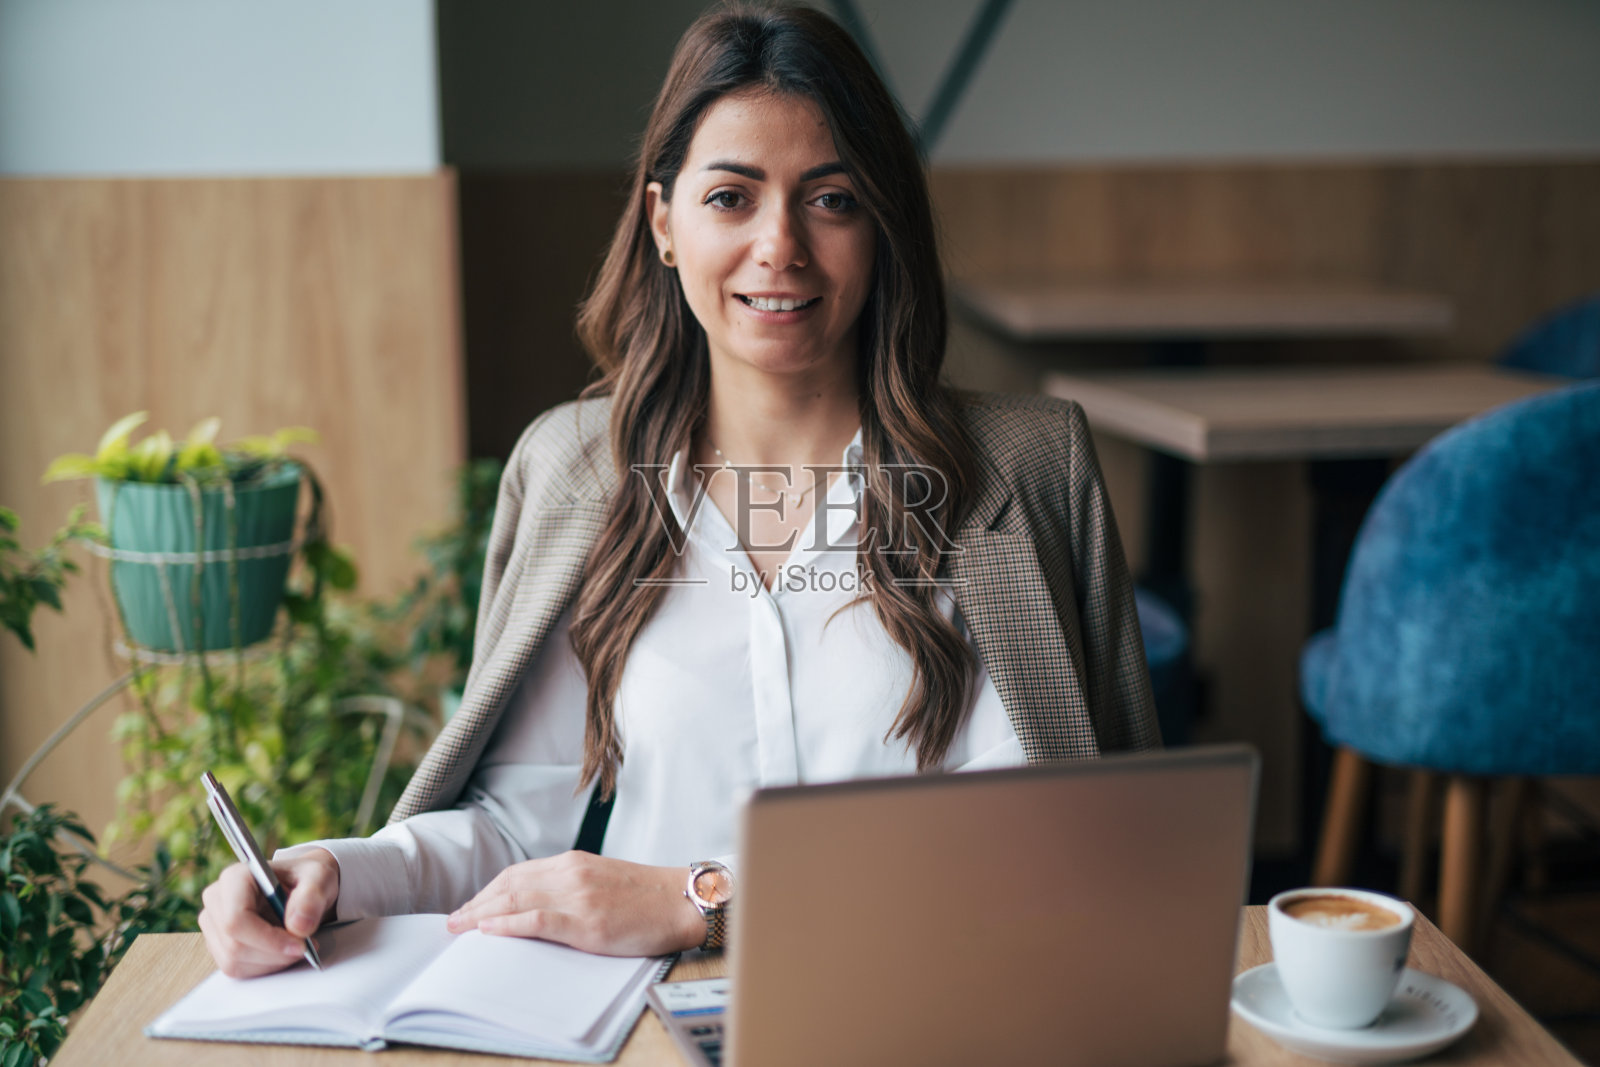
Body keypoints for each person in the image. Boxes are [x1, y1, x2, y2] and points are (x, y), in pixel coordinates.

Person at [199, 3, 1159, 979]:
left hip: (941, 997)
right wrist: (336, 872)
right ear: (664, 222)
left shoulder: (1023, 471)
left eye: (832, 199)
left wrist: (698, 899)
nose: (780, 245)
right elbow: (516, 820)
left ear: (881, 227)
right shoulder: (574, 472)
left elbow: (1042, 844)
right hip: (641, 1017)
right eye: (731, 197)